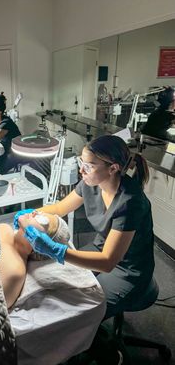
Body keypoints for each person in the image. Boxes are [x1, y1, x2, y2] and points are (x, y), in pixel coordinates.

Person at [18, 135, 155, 320]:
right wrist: (30, 213)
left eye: (89, 166)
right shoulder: (90, 183)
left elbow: (107, 262)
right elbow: (60, 208)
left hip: (128, 270)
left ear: (113, 168)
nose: (81, 170)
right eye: (80, 162)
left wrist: (57, 251)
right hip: (100, 249)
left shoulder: (130, 203)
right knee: (64, 283)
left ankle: (89, 341)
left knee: (82, 312)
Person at [0, 211, 70, 309]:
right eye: (40, 213)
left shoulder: (14, 269)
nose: (34, 212)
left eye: (42, 220)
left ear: (43, 242)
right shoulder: (4, 228)